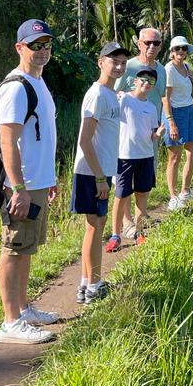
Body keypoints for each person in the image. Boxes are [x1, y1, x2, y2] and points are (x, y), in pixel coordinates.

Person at [0, 19, 59, 344]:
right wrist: (17, 188)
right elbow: (8, 141)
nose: (42, 50)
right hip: (21, 185)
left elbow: (40, 137)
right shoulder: (16, 87)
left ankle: (22, 309)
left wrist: (50, 178)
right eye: (35, 45)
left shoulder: (39, 82)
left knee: (26, 248)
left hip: (38, 181)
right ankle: (10, 323)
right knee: (13, 248)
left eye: (46, 44)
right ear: (19, 48)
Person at [71, 41, 130, 304]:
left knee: (95, 226)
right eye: (114, 61)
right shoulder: (97, 94)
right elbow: (85, 141)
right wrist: (98, 177)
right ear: (101, 62)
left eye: (123, 63)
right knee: (95, 227)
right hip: (91, 173)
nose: (119, 67)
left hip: (101, 171)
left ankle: (87, 283)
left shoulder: (110, 94)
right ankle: (94, 285)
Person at [113, 27, 166, 235]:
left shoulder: (161, 70)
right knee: (124, 184)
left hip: (150, 132)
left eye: (156, 43)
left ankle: (140, 220)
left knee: (145, 180)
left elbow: (163, 96)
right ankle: (126, 222)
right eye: (147, 43)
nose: (152, 46)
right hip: (126, 137)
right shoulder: (128, 66)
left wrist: (167, 122)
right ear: (139, 44)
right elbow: (114, 91)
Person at [105, 66, 164, 252]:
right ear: (135, 81)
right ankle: (115, 235)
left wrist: (158, 134)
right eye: (143, 79)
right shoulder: (123, 99)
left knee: (142, 195)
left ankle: (139, 232)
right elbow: (109, 101)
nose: (147, 83)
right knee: (121, 195)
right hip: (124, 157)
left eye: (151, 81)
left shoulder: (152, 107)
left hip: (146, 157)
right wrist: (116, 94)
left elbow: (152, 135)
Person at [161, 35, 193, 211]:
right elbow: (165, 98)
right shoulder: (168, 70)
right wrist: (171, 122)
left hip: (188, 110)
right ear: (172, 51)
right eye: (177, 48)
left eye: (184, 48)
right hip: (174, 113)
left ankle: (185, 190)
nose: (181, 51)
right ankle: (172, 197)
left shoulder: (187, 67)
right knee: (174, 157)